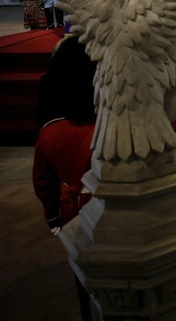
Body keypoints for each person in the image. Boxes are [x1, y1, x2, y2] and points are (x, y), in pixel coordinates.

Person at [32, 35, 97, 321]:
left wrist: (53, 219)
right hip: (112, 212)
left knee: (83, 277)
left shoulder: (50, 132)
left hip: (71, 211)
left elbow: (43, 182)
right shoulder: (110, 130)